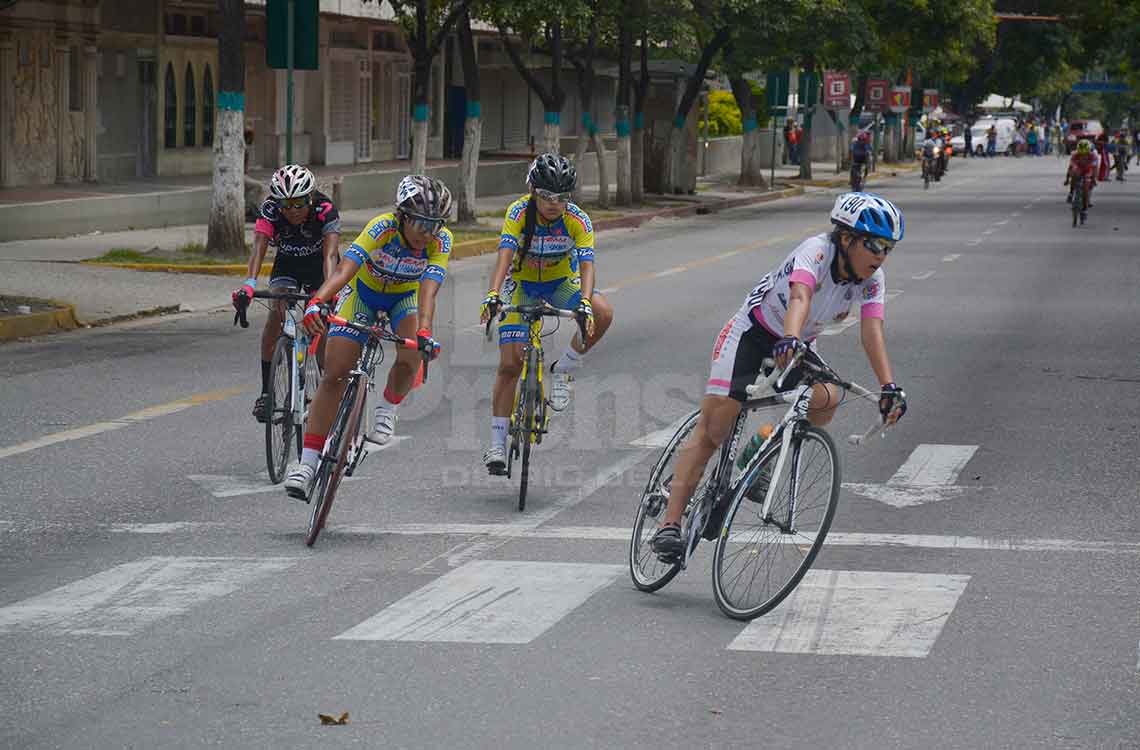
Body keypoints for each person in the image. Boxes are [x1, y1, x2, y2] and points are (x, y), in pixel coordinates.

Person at [648, 191, 908, 560]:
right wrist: (788, 336)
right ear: (847, 238)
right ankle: (669, 524)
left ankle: (764, 448)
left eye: (889, 248)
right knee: (716, 427)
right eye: (875, 245)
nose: (881, 256)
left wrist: (888, 387)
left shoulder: (872, 280)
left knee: (828, 397)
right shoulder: (816, 251)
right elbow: (800, 295)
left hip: (795, 340)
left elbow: (872, 330)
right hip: (754, 333)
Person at [283, 176, 451, 499]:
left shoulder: (440, 241)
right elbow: (345, 270)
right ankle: (306, 465)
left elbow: (429, 289)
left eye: (435, 225)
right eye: (419, 222)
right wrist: (317, 303)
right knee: (335, 372)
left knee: (412, 351)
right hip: (362, 293)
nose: (426, 233)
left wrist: (426, 331)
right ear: (401, 216)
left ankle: (387, 408)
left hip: (404, 298)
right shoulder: (381, 227)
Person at [478, 154, 615, 475]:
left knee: (602, 311)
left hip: (559, 284)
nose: (554, 204)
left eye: (562, 198)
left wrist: (583, 302)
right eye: (546, 196)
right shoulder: (518, 212)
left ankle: (564, 368)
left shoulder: (578, 219)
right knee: (510, 364)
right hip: (522, 284)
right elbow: (505, 254)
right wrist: (493, 292)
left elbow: (587, 264)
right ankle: (497, 442)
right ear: (532, 191)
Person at [233, 165, 341, 423]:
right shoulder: (270, 210)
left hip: (318, 266)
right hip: (288, 263)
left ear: (310, 197)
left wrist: (328, 294)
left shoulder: (325, 210)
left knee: (321, 324)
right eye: (286, 204)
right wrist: (249, 283)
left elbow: (330, 255)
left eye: (299, 203)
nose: (292, 210)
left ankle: (329, 391)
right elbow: (259, 247)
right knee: (276, 317)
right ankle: (266, 394)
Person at [1065, 139, 1098, 216]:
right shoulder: (1075, 155)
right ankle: (1071, 193)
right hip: (1079, 168)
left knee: (1086, 189)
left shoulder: (1093, 156)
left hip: (1088, 170)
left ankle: (1085, 209)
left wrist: (1093, 179)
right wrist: (1067, 179)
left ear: (1089, 151)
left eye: (1085, 154)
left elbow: (1095, 169)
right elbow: (1070, 167)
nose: (1083, 156)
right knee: (1074, 173)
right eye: (1081, 154)